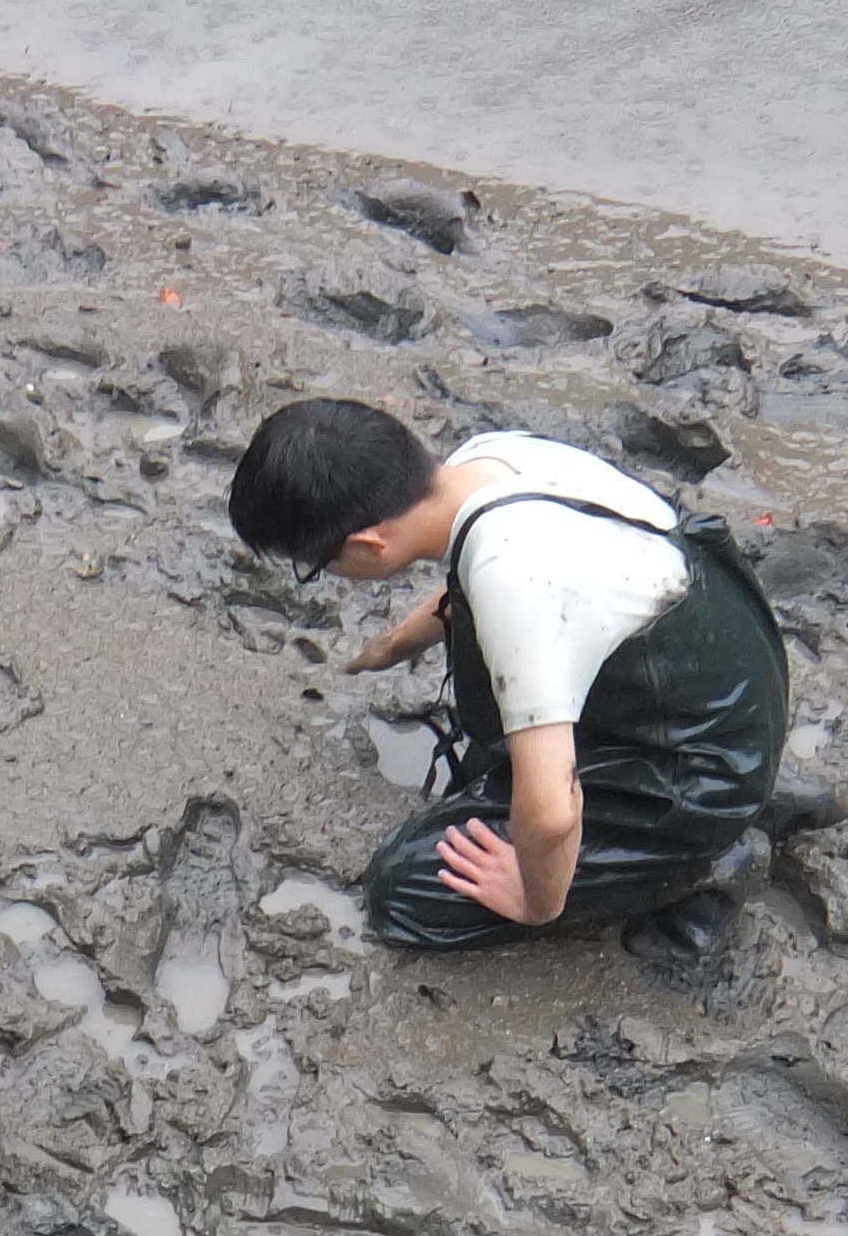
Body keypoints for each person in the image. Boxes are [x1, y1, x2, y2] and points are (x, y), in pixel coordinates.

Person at [227, 399, 788, 957]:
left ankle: (709, 861)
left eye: (318, 565)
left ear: (367, 545)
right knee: (496, 704)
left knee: (403, 891)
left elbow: (552, 814)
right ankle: (753, 789)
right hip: (725, 672)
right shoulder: (486, 461)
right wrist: (392, 647)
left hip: (699, 770)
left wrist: (535, 900)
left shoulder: (513, 579)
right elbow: (487, 580)